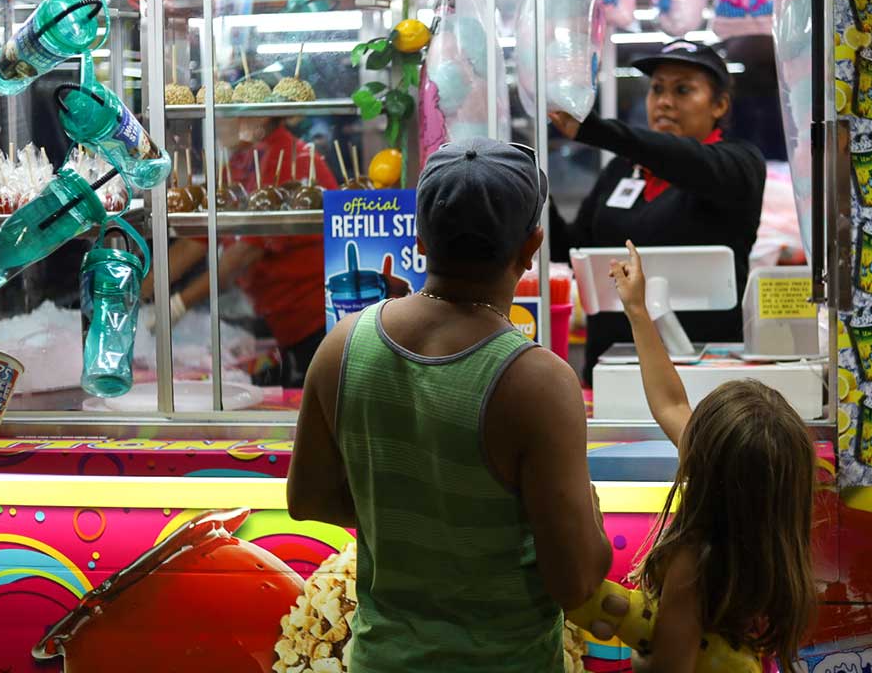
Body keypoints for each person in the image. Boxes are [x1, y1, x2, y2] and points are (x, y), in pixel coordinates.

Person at [287, 137, 613, 671]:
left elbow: (307, 499)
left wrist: (402, 515)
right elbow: (575, 581)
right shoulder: (537, 382)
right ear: (530, 248)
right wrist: (590, 518)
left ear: (418, 237)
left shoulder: (343, 345)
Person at [608, 241, 816, 673]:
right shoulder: (752, 506)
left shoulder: (692, 565)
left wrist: (640, 652)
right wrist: (637, 311)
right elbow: (669, 402)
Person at [549, 40, 766, 383]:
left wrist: (594, 130)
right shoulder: (622, 170)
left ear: (720, 104)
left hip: (707, 374)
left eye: (683, 90)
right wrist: (534, 190)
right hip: (612, 373)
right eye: (657, 89)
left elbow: (684, 160)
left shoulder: (738, 165)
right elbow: (573, 250)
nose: (664, 102)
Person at [143, 116, 338, 388]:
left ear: (260, 118)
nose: (219, 122)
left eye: (228, 114)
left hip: (315, 320)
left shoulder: (292, 160)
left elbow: (243, 254)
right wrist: (142, 288)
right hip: (275, 317)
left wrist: (178, 304)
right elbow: (198, 239)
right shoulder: (241, 161)